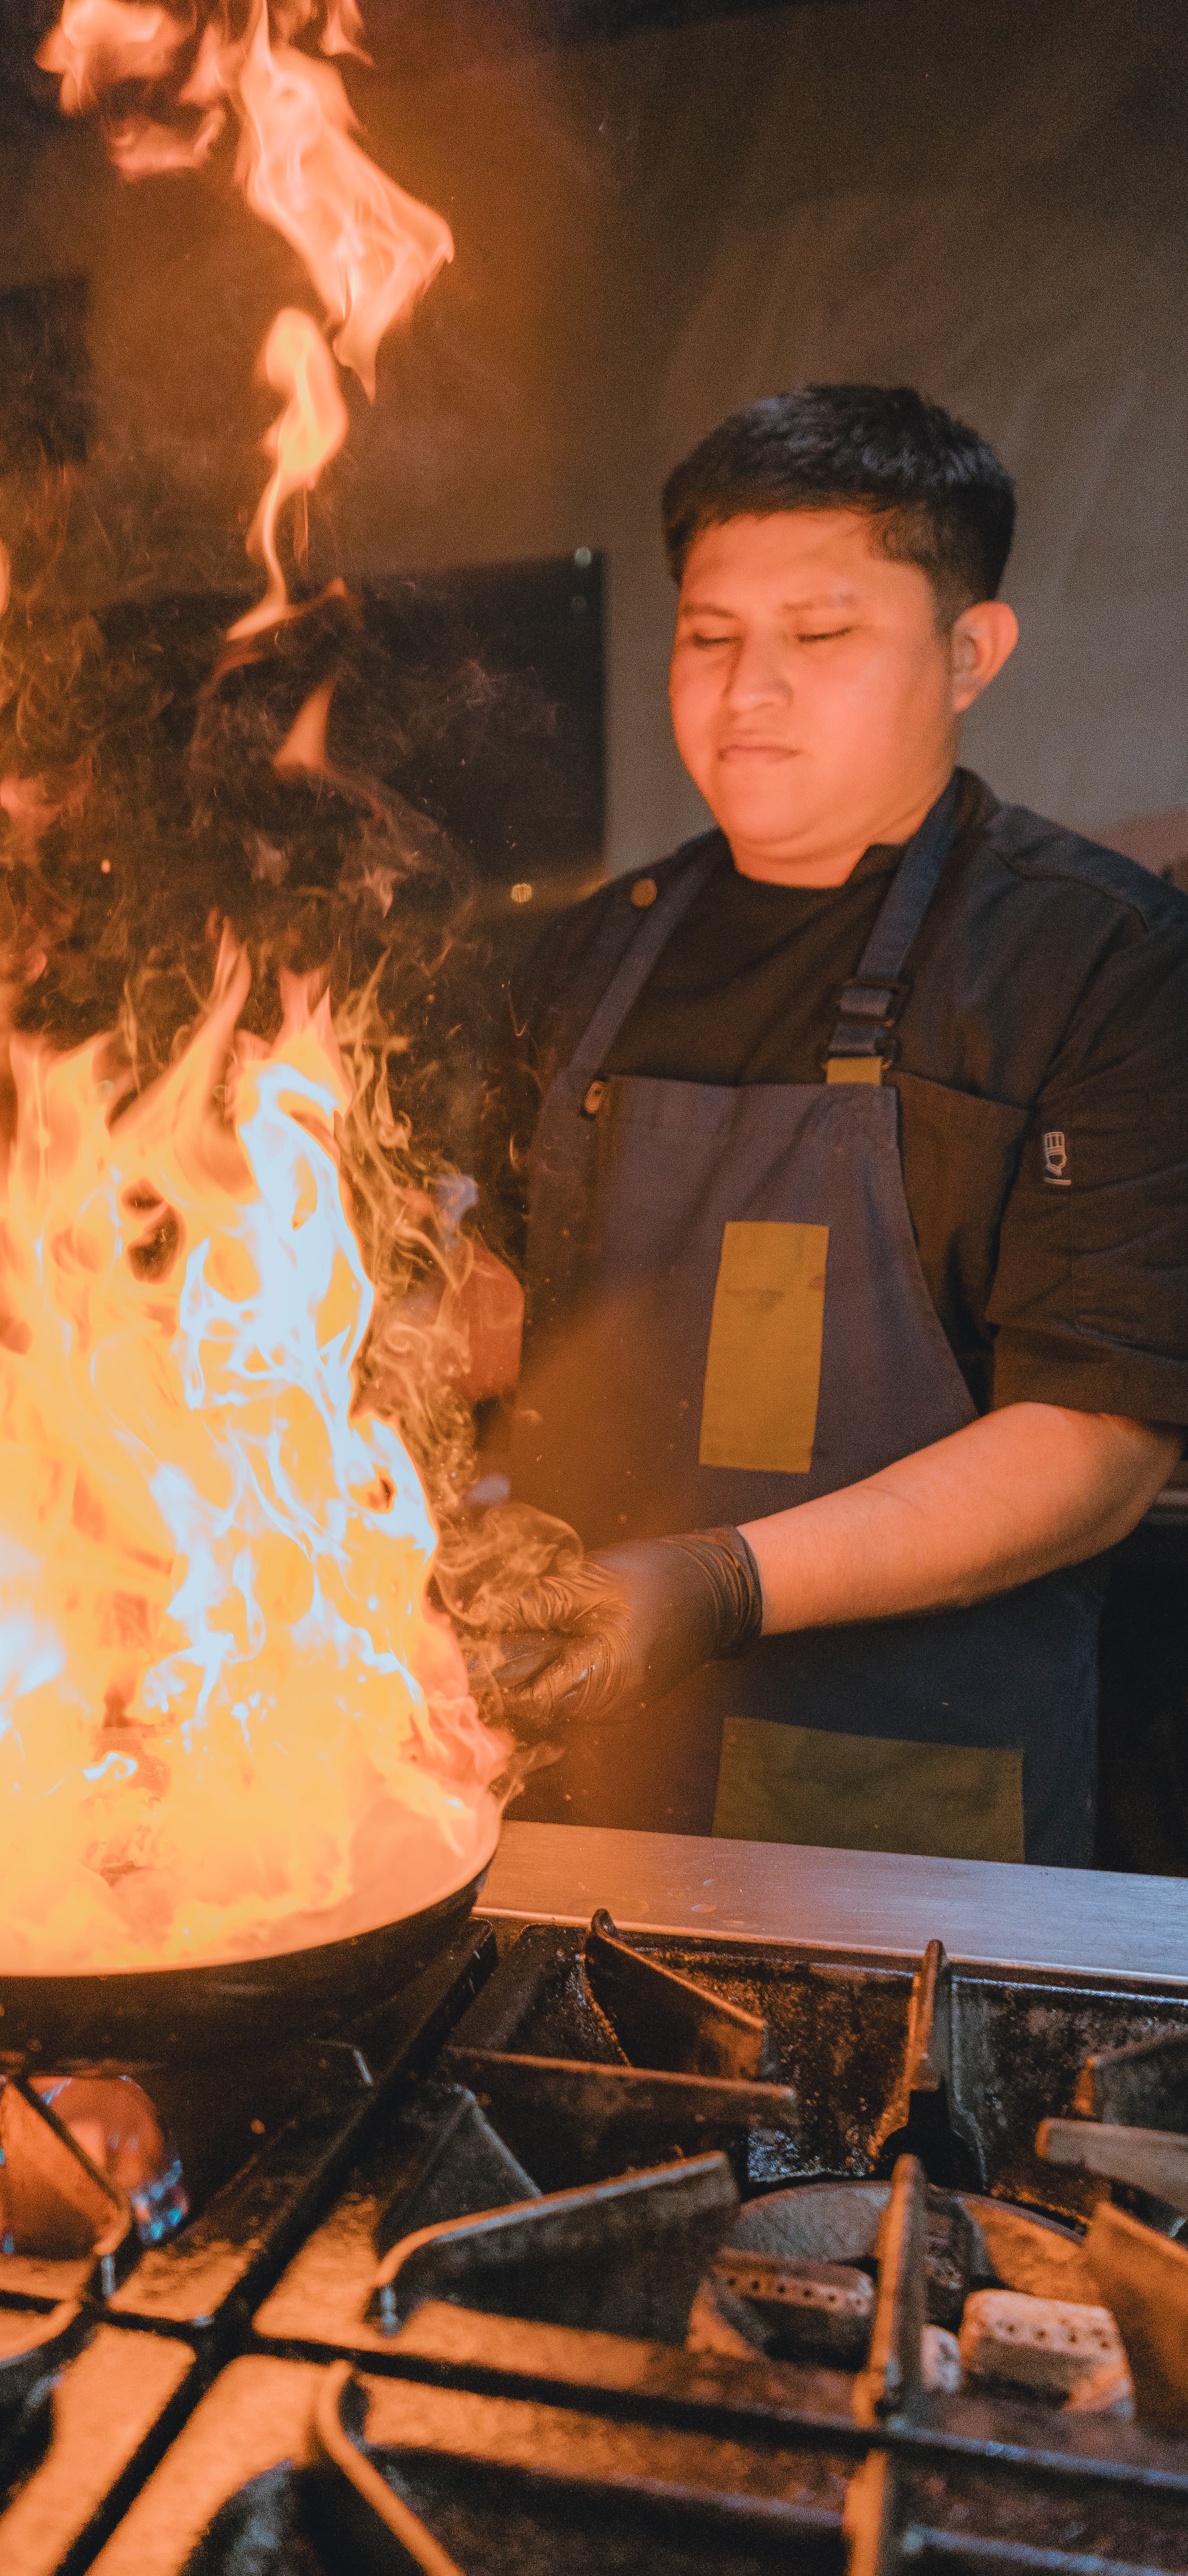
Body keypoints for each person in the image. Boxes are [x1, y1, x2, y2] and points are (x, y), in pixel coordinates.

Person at [466, 384, 1188, 1866]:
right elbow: (492, 1313)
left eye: (823, 635)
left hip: (893, 1812)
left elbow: (1100, 1441)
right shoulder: (590, 959)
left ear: (969, 651)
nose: (748, 694)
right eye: (711, 636)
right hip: (559, 1763)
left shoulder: (1100, 962)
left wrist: (710, 1586)